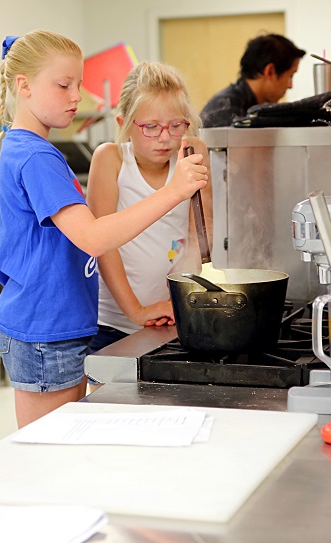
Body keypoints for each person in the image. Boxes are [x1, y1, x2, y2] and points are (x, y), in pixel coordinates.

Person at [0, 31, 208, 428]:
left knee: (66, 441)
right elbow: (94, 237)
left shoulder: (32, 150)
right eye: (64, 85)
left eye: (79, 85)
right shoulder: (36, 157)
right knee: (51, 449)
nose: (76, 97)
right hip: (45, 328)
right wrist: (174, 191)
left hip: (54, 323)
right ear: (24, 86)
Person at [86, 61, 213, 353]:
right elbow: (104, 246)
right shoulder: (111, 159)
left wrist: (180, 302)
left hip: (172, 317)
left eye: (176, 125)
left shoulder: (191, 151)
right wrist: (136, 311)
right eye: (151, 127)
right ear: (124, 125)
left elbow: (200, 235)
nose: (166, 137)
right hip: (113, 324)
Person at [200, 33, 306, 128]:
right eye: (290, 76)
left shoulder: (245, 105)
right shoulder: (226, 108)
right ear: (270, 71)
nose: (290, 86)